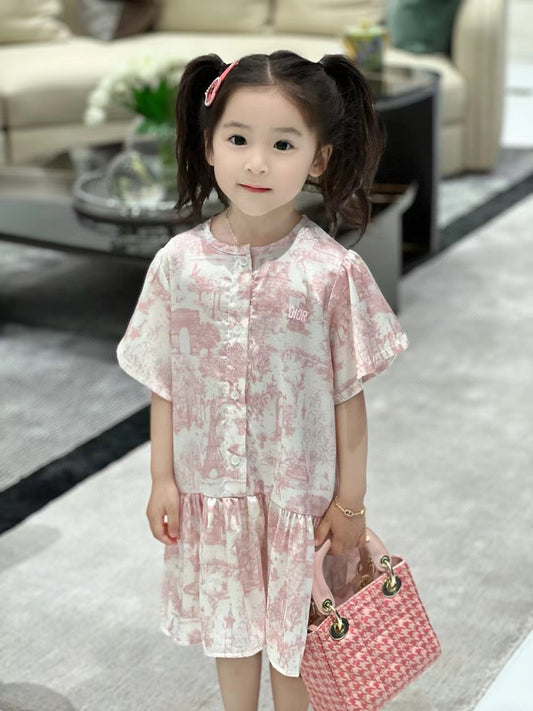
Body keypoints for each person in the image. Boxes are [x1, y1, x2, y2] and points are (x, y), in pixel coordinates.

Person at [116, 50, 409, 711]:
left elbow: (348, 398)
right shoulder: (178, 265)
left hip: (298, 500)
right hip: (210, 493)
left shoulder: (331, 273)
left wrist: (351, 503)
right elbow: (165, 380)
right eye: (238, 139)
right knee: (231, 629)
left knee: (297, 638)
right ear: (208, 145)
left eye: (282, 144)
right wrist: (162, 478)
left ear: (318, 159)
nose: (256, 163)